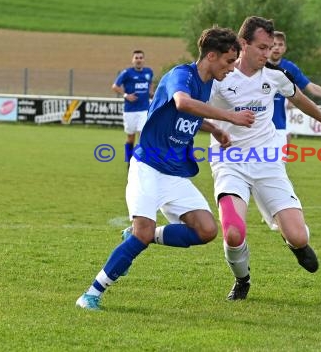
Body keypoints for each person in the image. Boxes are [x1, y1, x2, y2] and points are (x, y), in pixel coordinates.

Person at [76, 27, 255, 310]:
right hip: (148, 166)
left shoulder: (207, 83)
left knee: (207, 231)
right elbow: (183, 103)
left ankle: (136, 237)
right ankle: (91, 294)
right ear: (211, 55)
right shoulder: (180, 75)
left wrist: (215, 130)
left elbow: (190, 114)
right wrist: (229, 118)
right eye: (228, 61)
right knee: (142, 233)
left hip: (174, 172)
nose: (232, 68)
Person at [209, 16, 321, 301]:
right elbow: (192, 109)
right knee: (233, 232)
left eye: (270, 46)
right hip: (229, 162)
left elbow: (298, 98)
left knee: (299, 236)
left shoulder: (275, 76)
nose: (268, 52)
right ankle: (242, 279)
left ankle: (293, 243)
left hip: (267, 162)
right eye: (261, 47)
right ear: (243, 44)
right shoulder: (220, 77)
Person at [269, 31, 321, 145]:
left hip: (280, 127)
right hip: (257, 128)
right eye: (274, 44)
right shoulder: (258, 66)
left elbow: (311, 87)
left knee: (282, 153)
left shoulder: (290, 68)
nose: (276, 48)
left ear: (285, 48)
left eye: (280, 45)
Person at [112, 50, 154, 167]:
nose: (139, 60)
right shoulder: (127, 73)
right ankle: (129, 161)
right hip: (130, 110)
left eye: (141, 58)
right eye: (136, 58)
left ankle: (140, 162)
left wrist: (151, 93)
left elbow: (150, 83)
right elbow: (115, 86)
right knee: (130, 138)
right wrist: (126, 95)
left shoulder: (148, 72)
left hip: (144, 109)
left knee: (143, 135)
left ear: (143, 60)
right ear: (133, 60)